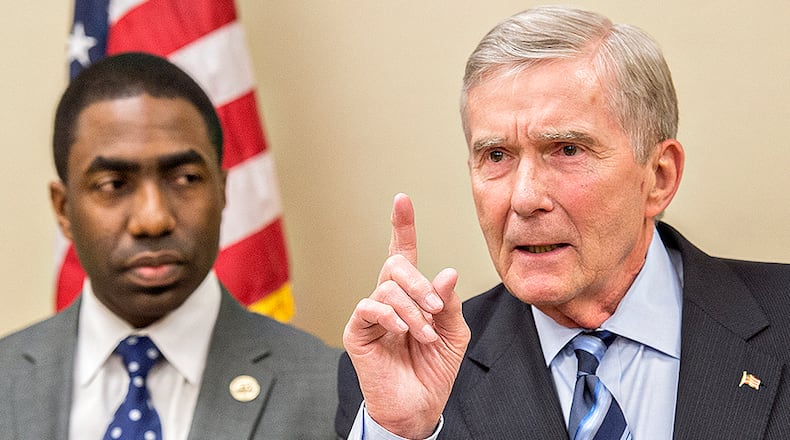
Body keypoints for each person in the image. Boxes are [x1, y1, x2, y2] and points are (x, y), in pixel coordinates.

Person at [336, 5, 790, 439]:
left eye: (567, 150)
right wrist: (402, 434)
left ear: (658, 177)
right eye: (496, 155)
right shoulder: (408, 370)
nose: (525, 198)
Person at [0, 52, 339, 439]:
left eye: (185, 178)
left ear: (223, 191)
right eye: (114, 185)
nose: (153, 219)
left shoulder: (332, 392)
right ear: (64, 210)